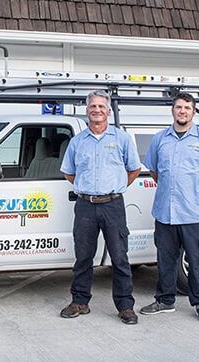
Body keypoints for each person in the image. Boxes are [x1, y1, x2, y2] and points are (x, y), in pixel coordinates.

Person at [59, 90, 142, 325]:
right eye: (93, 106)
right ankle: (80, 301)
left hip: (113, 205)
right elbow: (69, 172)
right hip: (85, 205)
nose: (97, 110)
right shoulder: (77, 142)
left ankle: (125, 306)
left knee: (119, 256)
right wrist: (87, 188)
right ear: (87, 111)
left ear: (107, 110)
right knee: (83, 257)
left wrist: (116, 186)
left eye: (101, 107)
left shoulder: (121, 138)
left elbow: (134, 168)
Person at [141, 92, 199, 323]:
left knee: (198, 260)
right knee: (166, 259)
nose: (183, 111)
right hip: (165, 213)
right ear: (173, 110)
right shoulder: (160, 139)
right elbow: (155, 171)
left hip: (194, 213)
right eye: (179, 107)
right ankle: (165, 300)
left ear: (193, 111)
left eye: (187, 107)